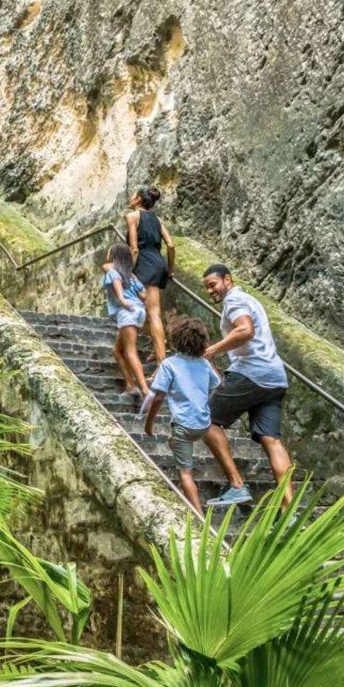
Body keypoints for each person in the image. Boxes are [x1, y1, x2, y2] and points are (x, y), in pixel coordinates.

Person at [201, 264, 294, 507]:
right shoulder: (250, 300)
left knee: (206, 420)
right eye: (207, 287)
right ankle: (289, 510)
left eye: (213, 284)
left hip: (251, 372)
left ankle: (237, 485)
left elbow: (245, 330)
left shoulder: (234, 300)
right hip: (275, 376)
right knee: (271, 440)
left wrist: (212, 350)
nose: (210, 290)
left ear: (228, 280)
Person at [143, 317, 254, 514]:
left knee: (186, 473)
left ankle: (198, 516)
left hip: (183, 426)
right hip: (203, 425)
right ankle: (174, 442)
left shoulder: (169, 364)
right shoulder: (204, 364)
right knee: (179, 440)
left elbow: (158, 397)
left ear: (174, 340)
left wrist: (149, 424)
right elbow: (219, 384)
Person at [126, 186, 175, 366]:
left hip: (144, 264)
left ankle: (162, 363)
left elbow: (134, 249)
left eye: (132, 196)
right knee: (146, 312)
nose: (130, 198)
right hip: (158, 263)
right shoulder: (157, 219)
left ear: (138, 199)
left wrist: (128, 271)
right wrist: (169, 269)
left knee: (152, 313)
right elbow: (170, 245)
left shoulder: (132, 217)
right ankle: (159, 345)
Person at [102, 243, 150, 406]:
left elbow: (115, 280)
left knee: (130, 351)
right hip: (139, 311)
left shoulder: (113, 272)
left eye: (109, 253)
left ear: (114, 257)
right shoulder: (131, 276)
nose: (107, 255)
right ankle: (130, 386)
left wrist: (122, 299)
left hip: (127, 311)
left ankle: (145, 390)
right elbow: (144, 295)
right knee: (118, 351)